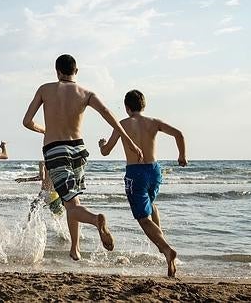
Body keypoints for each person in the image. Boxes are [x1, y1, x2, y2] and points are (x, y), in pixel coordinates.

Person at [22, 54, 143, 261]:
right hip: (78, 149)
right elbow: (108, 114)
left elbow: (27, 121)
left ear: (57, 71)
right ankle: (74, 247)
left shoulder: (45, 89)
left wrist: (44, 130)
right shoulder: (86, 93)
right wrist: (129, 141)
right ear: (76, 72)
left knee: (70, 204)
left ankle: (97, 220)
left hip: (55, 149)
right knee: (73, 201)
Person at [98, 89, 186, 277]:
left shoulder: (122, 125)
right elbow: (179, 134)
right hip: (154, 171)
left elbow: (106, 151)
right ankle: (162, 244)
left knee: (143, 219)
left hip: (135, 173)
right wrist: (182, 156)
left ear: (127, 108)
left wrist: (101, 144)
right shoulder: (154, 123)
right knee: (151, 205)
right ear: (143, 106)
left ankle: (166, 249)